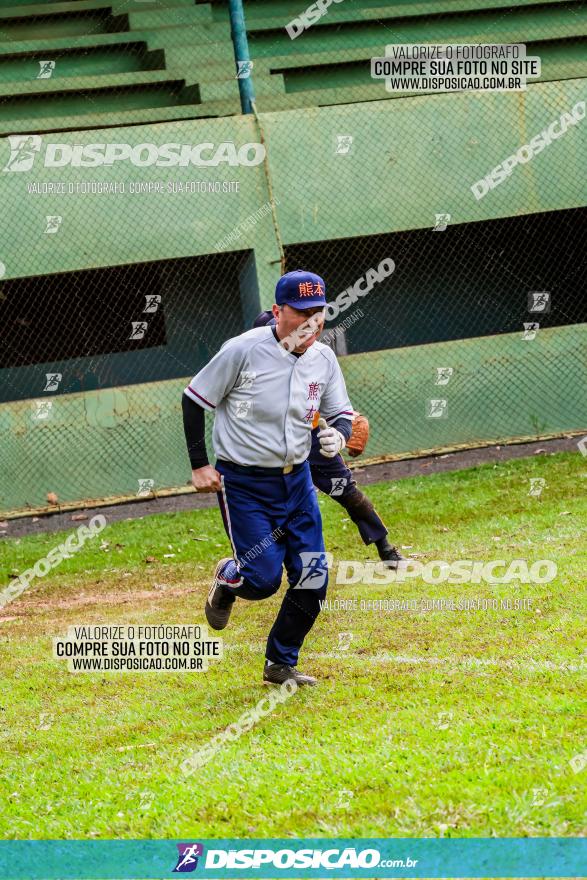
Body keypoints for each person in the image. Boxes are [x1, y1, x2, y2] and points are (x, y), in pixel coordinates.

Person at [182, 269, 354, 686]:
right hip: (244, 485)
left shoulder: (323, 359)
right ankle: (228, 577)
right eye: (301, 312)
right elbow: (193, 398)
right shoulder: (242, 351)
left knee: (313, 577)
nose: (311, 322)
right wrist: (200, 465)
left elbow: (342, 414)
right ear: (278, 311)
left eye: (319, 313)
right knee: (260, 581)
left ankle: (280, 663)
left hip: (297, 484)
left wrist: (337, 436)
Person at [253, 310, 405, 568]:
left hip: (312, 443)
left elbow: (331, 405)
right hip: (270, 449)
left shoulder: (313, 359)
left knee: (345, 489)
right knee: (276, 508)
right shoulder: (252, 364)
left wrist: (341, 429)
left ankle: (385, 547)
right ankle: (270, 563)